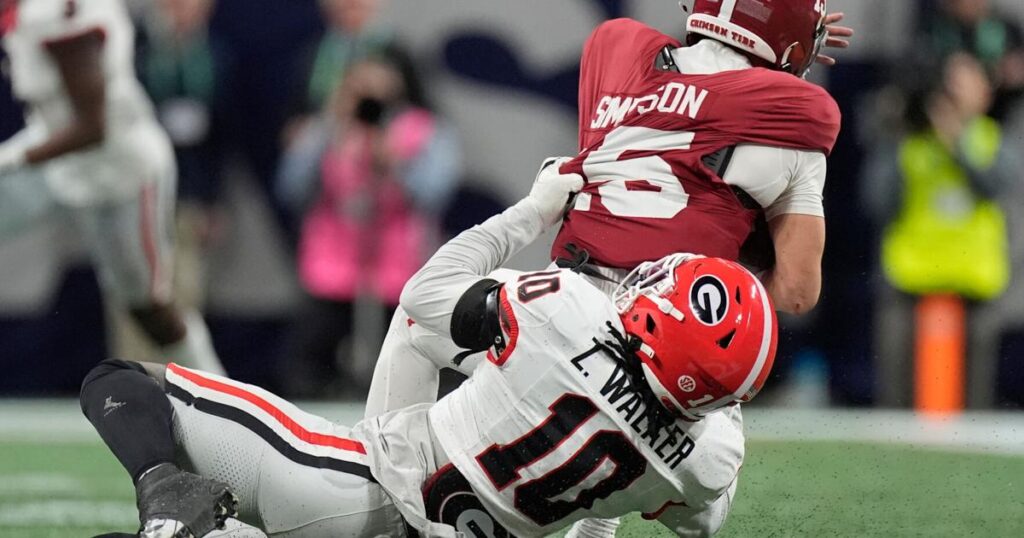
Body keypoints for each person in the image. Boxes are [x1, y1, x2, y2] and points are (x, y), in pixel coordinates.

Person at [81, 160, 778, 537]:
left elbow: (427, 293)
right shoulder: (706, 461)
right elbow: (705, 519)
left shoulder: (570, 315)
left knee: (120, 380)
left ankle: (165, 499)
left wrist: (532, 212)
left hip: (361, 493)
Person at [0, 0, 224, 374]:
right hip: (59, 159)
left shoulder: (59, 13)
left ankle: (220, 392)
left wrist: (11, 159)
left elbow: (92, 128)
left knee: (148, 307)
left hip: (120, 172)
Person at [278, 54, 460, 398]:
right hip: (330, 271)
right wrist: (326, 132)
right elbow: (291, 188)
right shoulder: (326, 129)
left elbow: (433, 195)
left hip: (399, 273)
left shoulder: (425, 130)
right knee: (304, 369)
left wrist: (393, 161)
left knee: (401, 374)